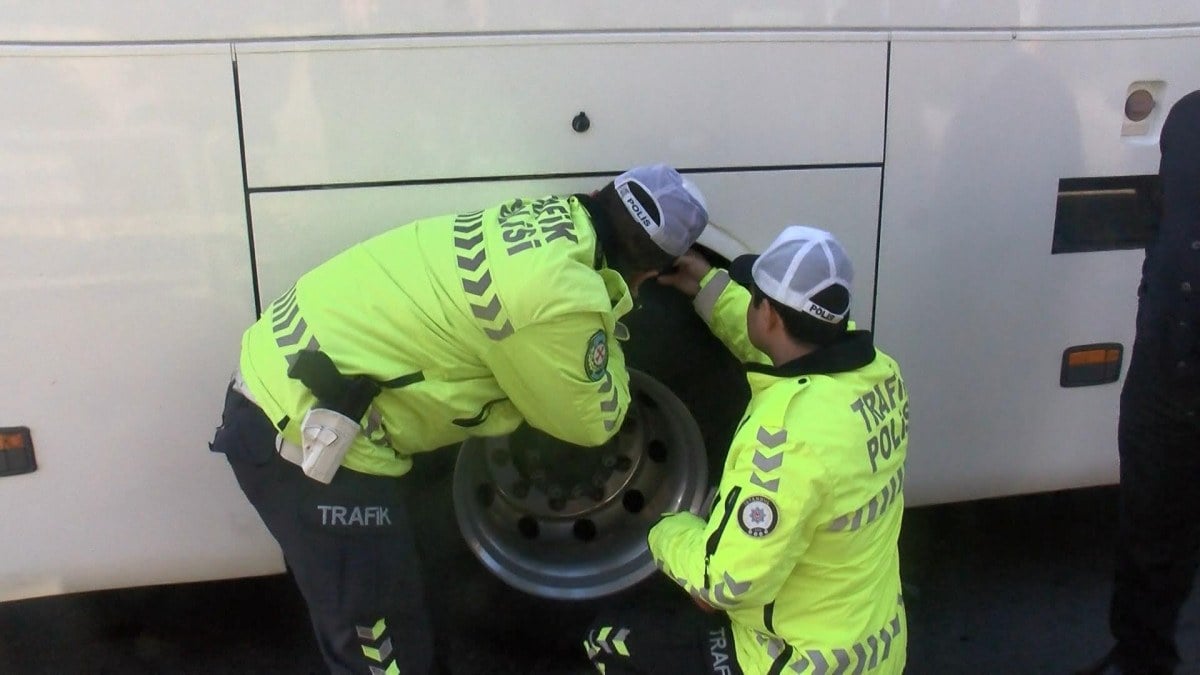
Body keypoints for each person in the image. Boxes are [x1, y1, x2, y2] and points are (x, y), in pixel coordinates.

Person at [207, 164, 709, 674]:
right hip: (309, 434)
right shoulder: (559, 295)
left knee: (411, 606)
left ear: (599, 193)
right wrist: (615, 307)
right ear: (649, 273)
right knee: (384, 646)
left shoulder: (538, 220)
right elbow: (595, 419)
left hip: (290, 380)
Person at [584, 226, 909, 674]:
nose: (751, 303)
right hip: (874, 652)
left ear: (770, 315)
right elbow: (777, 343)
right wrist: (706, 285)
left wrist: (663, 527)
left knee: (606, 641)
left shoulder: (786, 438)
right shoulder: (880, 374)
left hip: (789, 662)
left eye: (754, 296)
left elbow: (722, 585)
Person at [1076, 91, 1200, 675]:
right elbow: (1167, 231)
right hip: (1164, 375)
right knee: (1148, 531)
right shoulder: (1190, 117)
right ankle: (1140, 657)